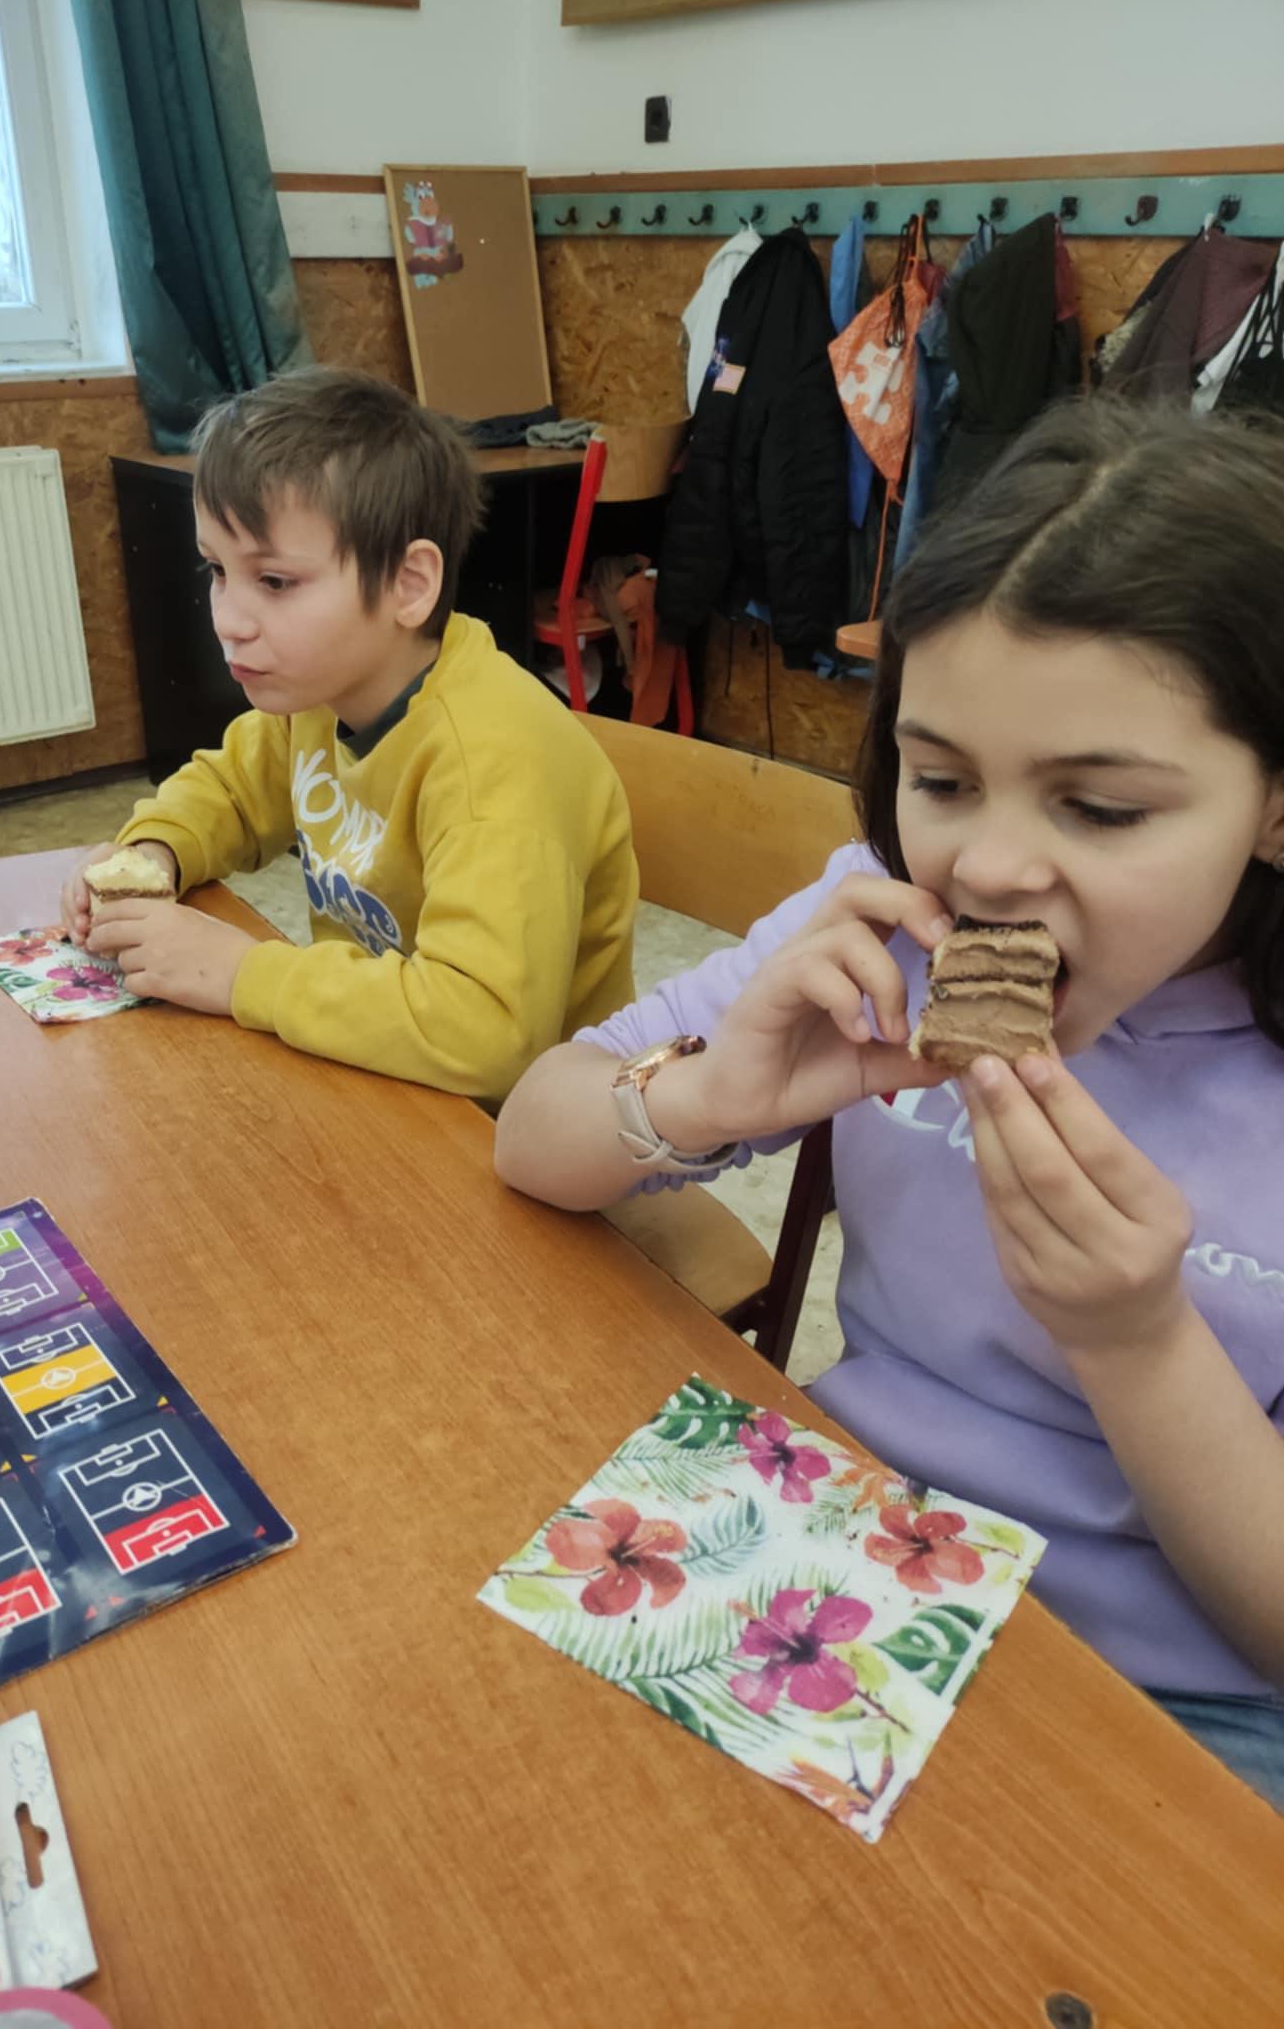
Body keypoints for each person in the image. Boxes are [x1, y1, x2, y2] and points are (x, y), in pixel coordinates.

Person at [495, 398, 1284, 1807]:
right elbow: (531, 1134)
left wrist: (1135, 1337)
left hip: (1173, 1690)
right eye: (941, 778)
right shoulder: (881, 925)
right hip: (839, 1538)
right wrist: (707, 1096)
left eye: (1100, 808)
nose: (988, 868)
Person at [62, 368, 637, 1101]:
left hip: (514, 1128)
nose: (228, 619)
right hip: (376, 1074)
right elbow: (232, 790)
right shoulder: (321, 693)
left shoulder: (496, 763)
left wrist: (243, 973)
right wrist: (156, 849)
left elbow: (486, 1033)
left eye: (274, 581)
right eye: (217, 569)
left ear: (407, 585)